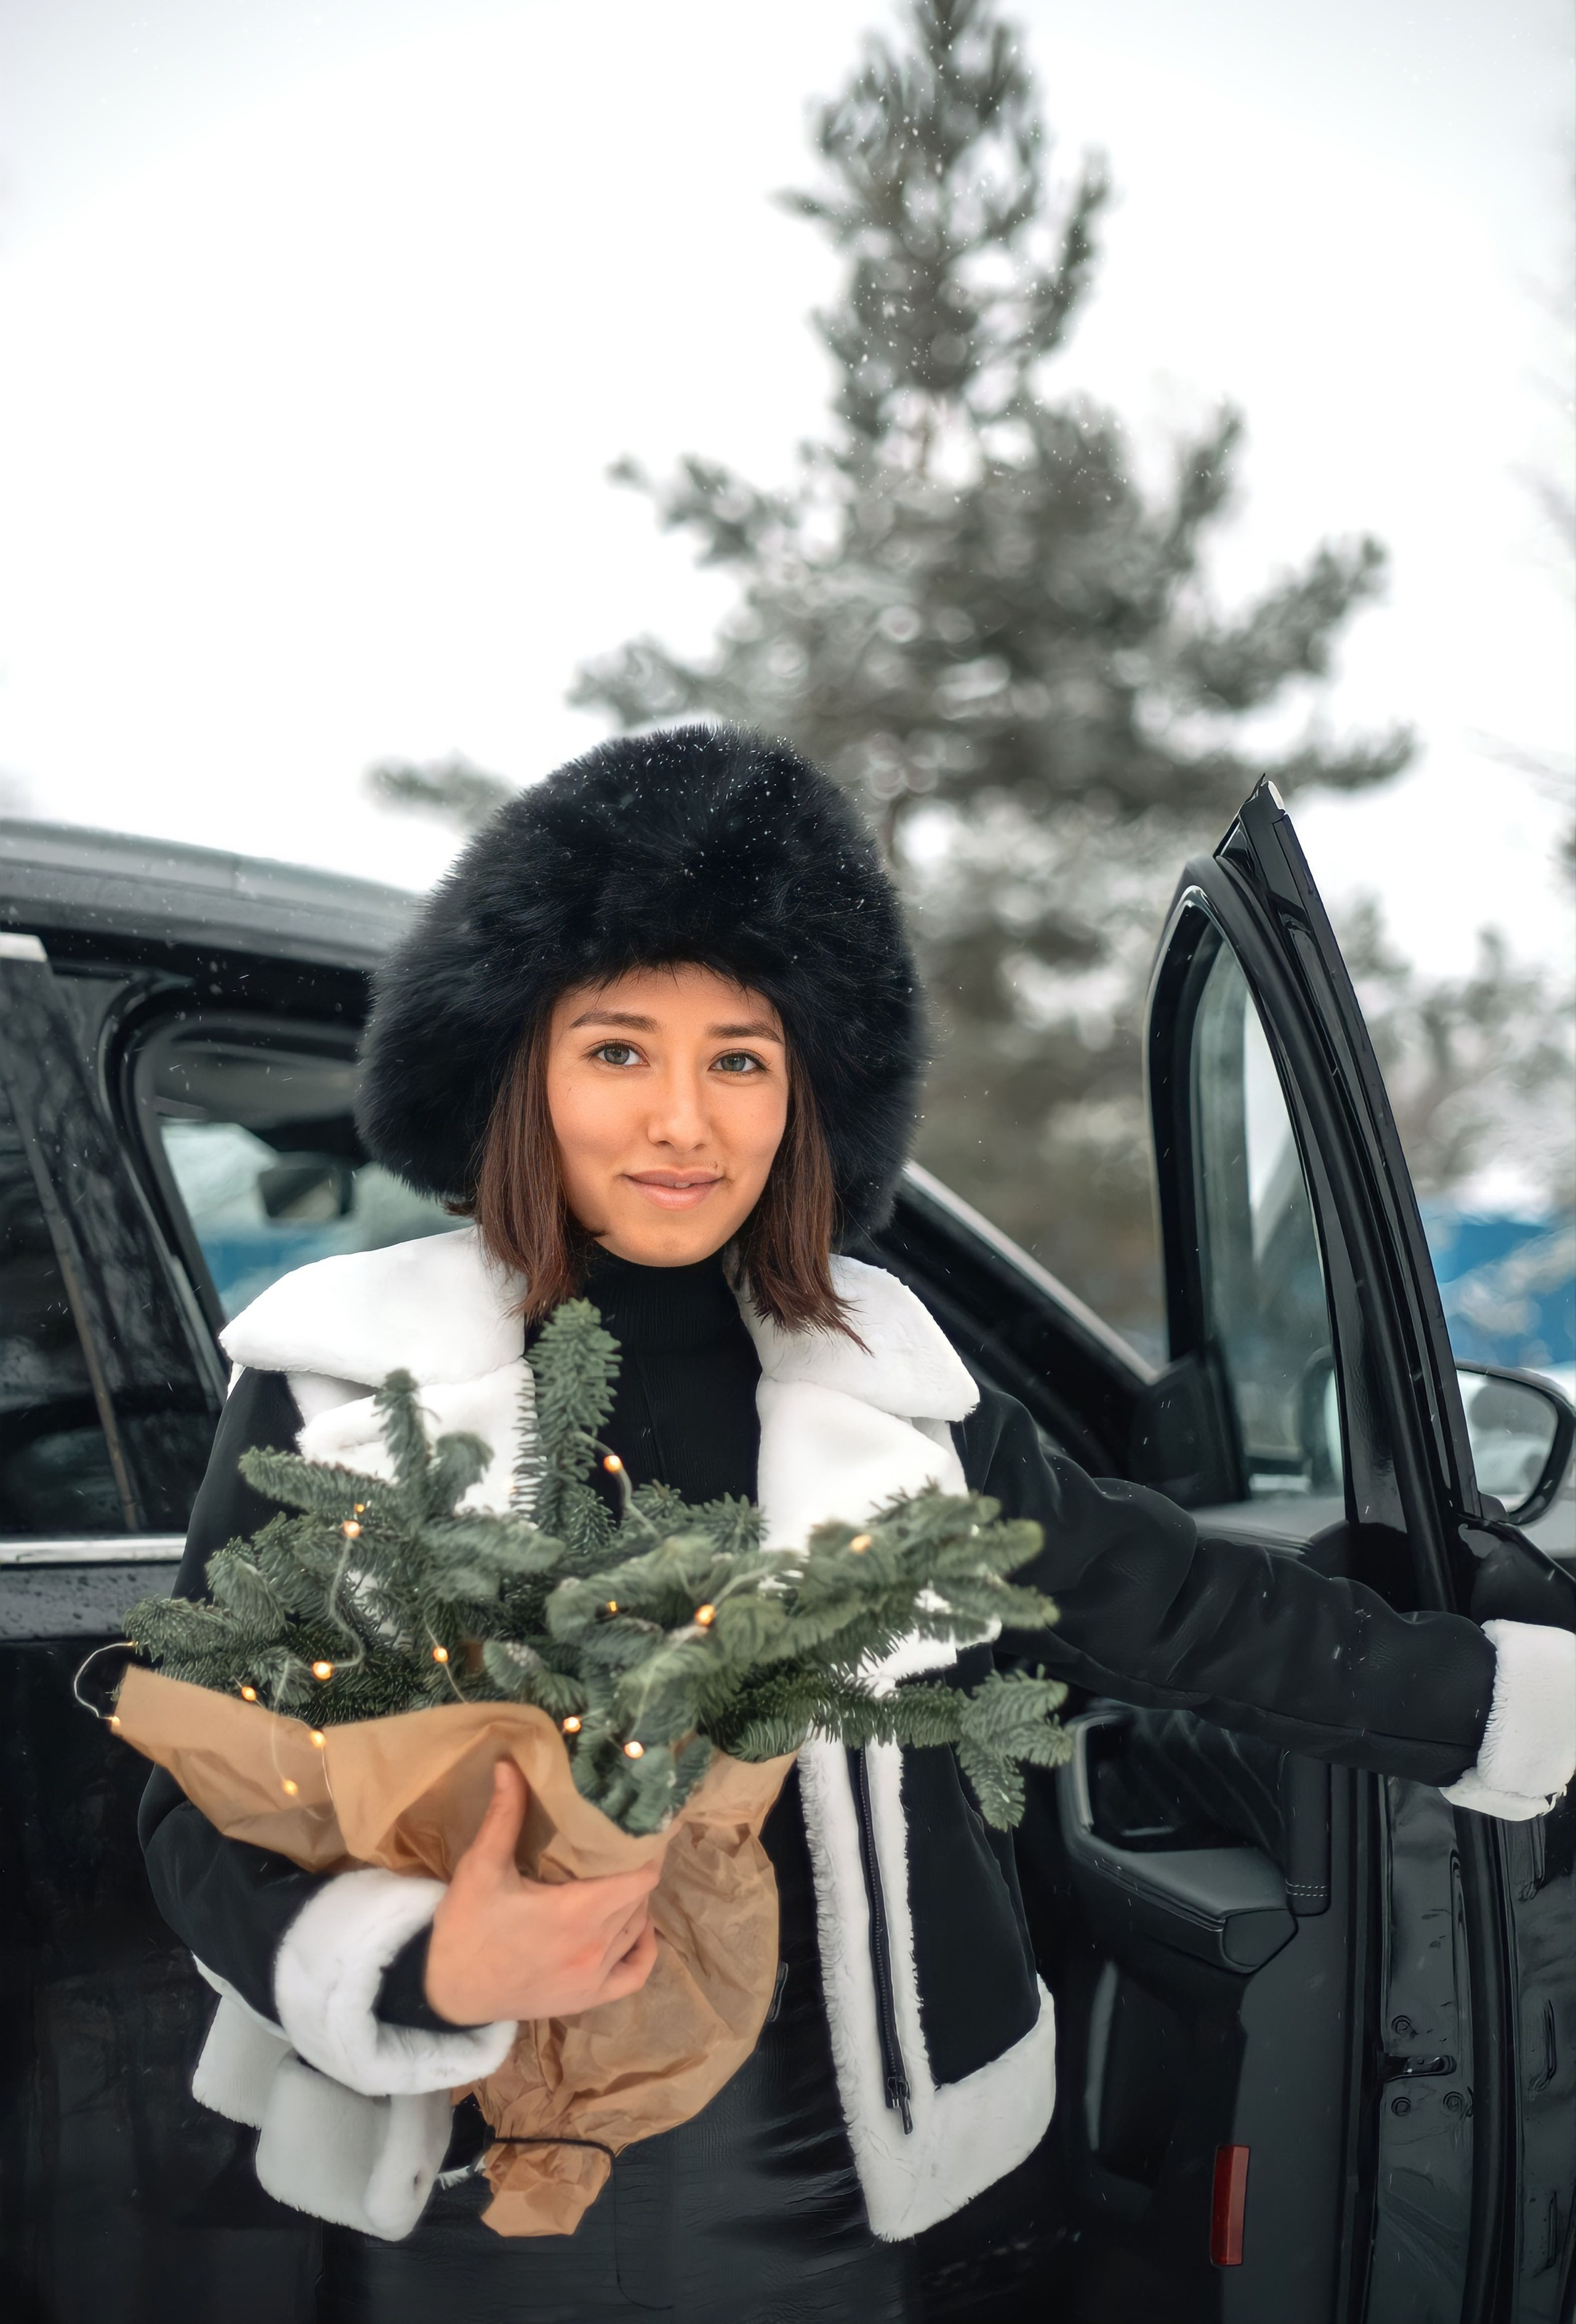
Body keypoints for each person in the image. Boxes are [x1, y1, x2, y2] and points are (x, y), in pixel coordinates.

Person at [140, 725, 1576, 2324]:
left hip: (827, 2169)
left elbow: (1169, 1604)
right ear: (514, 1069)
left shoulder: (885, 1384)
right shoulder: (342, 1379)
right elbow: (204, 1801)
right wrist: (429, 1968)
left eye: (740, 1059)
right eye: (619, 1051)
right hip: (466, 2174)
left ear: (808, 1092)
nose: (684, 1120)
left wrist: (1501, 1700)